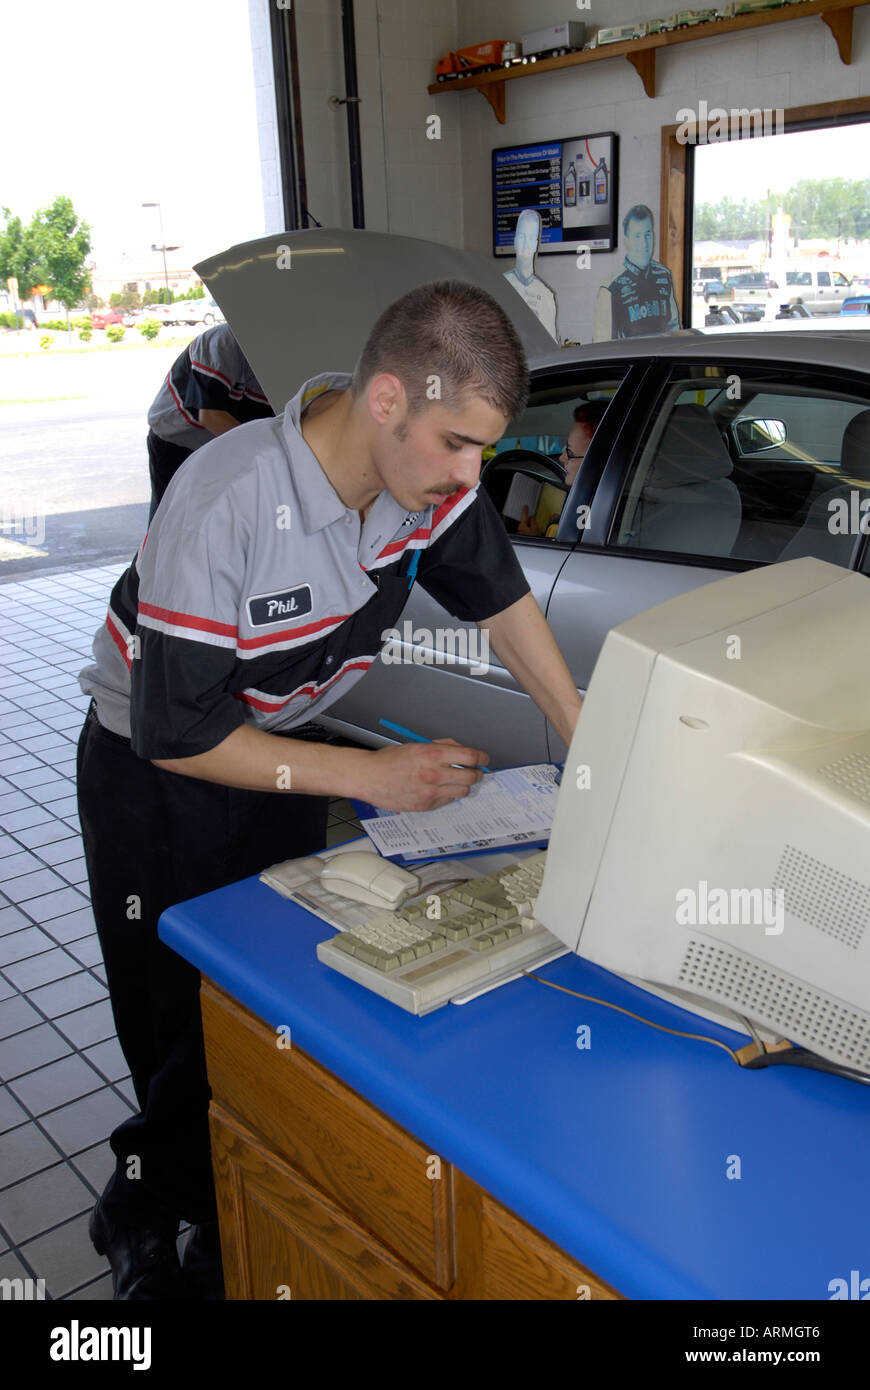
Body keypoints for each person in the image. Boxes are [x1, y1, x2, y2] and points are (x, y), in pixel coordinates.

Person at [76, 279, 583, 1301]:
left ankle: (225, 1205)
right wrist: (375, 775)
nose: (469, 474)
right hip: (153, 774)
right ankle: (139, 1212)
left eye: (483, 448)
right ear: (387, 398)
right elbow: (181, 728)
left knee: (260, 1000)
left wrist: (588, 736)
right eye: (455, 443)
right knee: (174, 1016)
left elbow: (506, 606)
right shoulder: (225, 499)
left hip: (277, 757)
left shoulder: (423, 488)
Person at [145, 323, 274, 519]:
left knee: (216, 522)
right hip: (177, 439)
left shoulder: (280, 352)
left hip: (221, 444)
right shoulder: (223, 341)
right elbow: (210, 416)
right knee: (166, 524)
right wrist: (266, 456)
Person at [517, 400, 607, 537]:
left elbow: (577, 554)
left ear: (595, 460)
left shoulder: (596, 508)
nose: (562, 458)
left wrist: (538, 540)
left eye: (570, 452)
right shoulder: (605, 501)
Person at [593, 204, 680, 341]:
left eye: (648, 234)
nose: (644, 243)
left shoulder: (664, 275)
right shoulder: (612, 287)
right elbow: (601, 345)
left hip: (661, 358)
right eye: (637, 236)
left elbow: (674, 329)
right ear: (626, 241)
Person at [503, 209, 559, 342]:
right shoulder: (500, 285)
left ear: (535, 244)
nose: (525, 245)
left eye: (530, 238)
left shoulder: (545, 296)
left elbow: (550, 345)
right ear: (515, 241)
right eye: (522, 237)